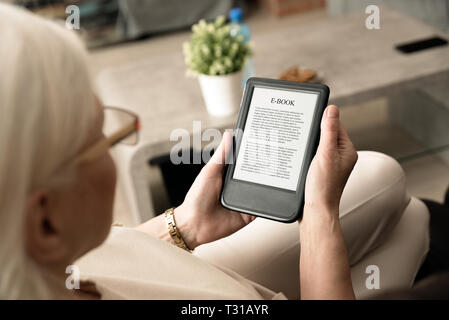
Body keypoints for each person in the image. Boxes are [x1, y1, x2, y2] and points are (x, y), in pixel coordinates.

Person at [0, 3, 414, 299]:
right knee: (411, 217)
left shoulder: (42, 263)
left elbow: (102, 262)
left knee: (386, 178)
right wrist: (319, 217)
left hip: (172, 266)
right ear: (46, 224)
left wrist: (183, 226)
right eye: (100, 137)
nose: (113, 147)